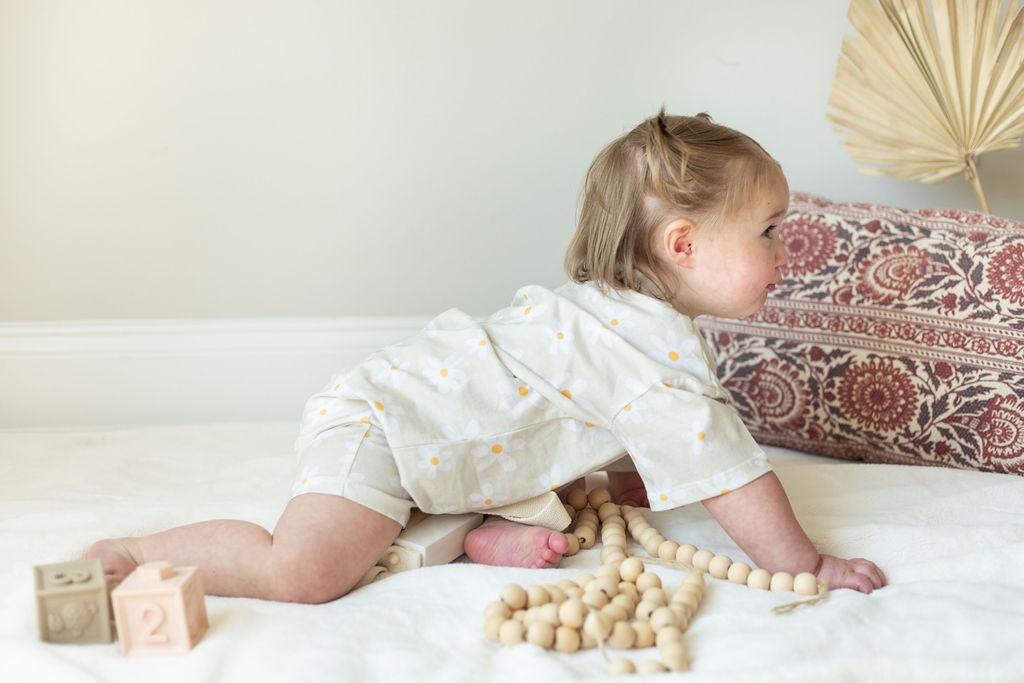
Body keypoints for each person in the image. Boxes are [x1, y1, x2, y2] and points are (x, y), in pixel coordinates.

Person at [89, 110, 887, 603]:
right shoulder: (654, 355)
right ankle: (135, 551)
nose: (788, 247)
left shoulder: (618, 322)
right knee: (308, 570)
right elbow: (735, 477)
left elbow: (570, 410)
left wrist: (621, 471)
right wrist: (806, 562)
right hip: (387, 429)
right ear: (683, 245)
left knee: (552, 479)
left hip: (437, 429)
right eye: (769, 230)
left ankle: (475, 529)